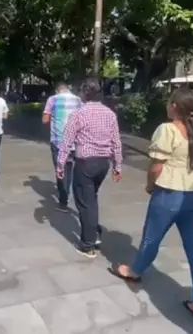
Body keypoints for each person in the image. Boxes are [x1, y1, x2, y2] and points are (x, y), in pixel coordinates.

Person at [109, 88, 193, 325]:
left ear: (175, 106)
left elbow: (156, 166)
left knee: (152, 238)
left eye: (169, 102)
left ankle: (135, 271)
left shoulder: (167, 130)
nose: (167, 105)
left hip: (170, 193)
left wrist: (149, 185)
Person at [56, 78, 122, 258]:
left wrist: (60, 164)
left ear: (84, 94)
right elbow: (116, 142)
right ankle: (95, 233)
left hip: (85, 163)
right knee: (91, 198)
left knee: (85, 203)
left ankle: (87, 244)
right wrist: (118, 166)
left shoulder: (79, 114)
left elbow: (67, 141)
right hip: (103, 163)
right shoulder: (109, 114)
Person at [43, 81, 82, 212]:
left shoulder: (52, 99)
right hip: (74, 142)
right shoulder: (78, 100)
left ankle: (63, 199)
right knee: (69, 168)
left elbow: (45, 120)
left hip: (58, 140)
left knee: (59, 169)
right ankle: (67, 193)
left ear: (57, 90)